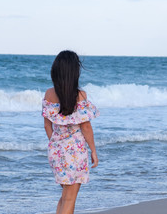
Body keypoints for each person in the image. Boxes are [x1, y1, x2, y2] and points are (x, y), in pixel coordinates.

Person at [42, 50, 100, 214]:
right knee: (69, 198)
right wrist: (94, 151)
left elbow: (47, 126)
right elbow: (86, 127)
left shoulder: (49, 94)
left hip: (56, 151)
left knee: (66, 196)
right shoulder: (80, 95)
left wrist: (57, 144)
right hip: (75, 152)